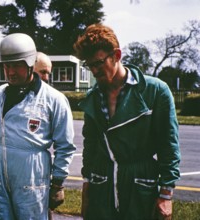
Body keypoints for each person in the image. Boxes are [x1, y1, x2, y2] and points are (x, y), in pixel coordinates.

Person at [73, 23, 181, 220]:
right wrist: (87, 191)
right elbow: (90, 146)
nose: (94, 71)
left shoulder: (155, 91)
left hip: (141, 182)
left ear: (116, 55)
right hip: (102, 182)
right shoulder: (93, 98)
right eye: (90, 65)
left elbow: (169, 144)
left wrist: (166, 193)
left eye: (98, 63)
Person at [0, 33, 76, 219]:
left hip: (33, 174)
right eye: (7, 66)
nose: (11, 72)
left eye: (17, 65)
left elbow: (65, 145)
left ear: (30, 64)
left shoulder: (54, 99)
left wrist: (58, 184)